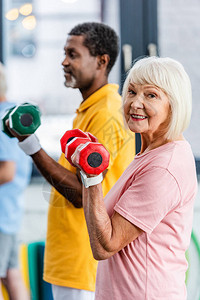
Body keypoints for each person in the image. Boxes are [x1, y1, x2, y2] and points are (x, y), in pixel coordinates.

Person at [7, 22, 135, 300]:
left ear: (102, 61)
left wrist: (30, 144)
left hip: (85, 263)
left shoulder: (107, 114)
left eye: (73, 54)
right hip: (72, 261)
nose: (64, 62)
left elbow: (81, 193)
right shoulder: (89, 110)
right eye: (65, 53)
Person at [71, 56, 198, 300]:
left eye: (151, 95)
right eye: (131, 92)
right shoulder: (149, 154)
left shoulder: (164, 167)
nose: (135, 103)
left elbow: (105, 245)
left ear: (174, 104)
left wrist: (91, 176)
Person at [0, 62, 32, 300]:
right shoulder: (13, 114)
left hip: (2, 215)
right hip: (9, 213)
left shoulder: (2, 118)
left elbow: (7, 171)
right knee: (12, 275)